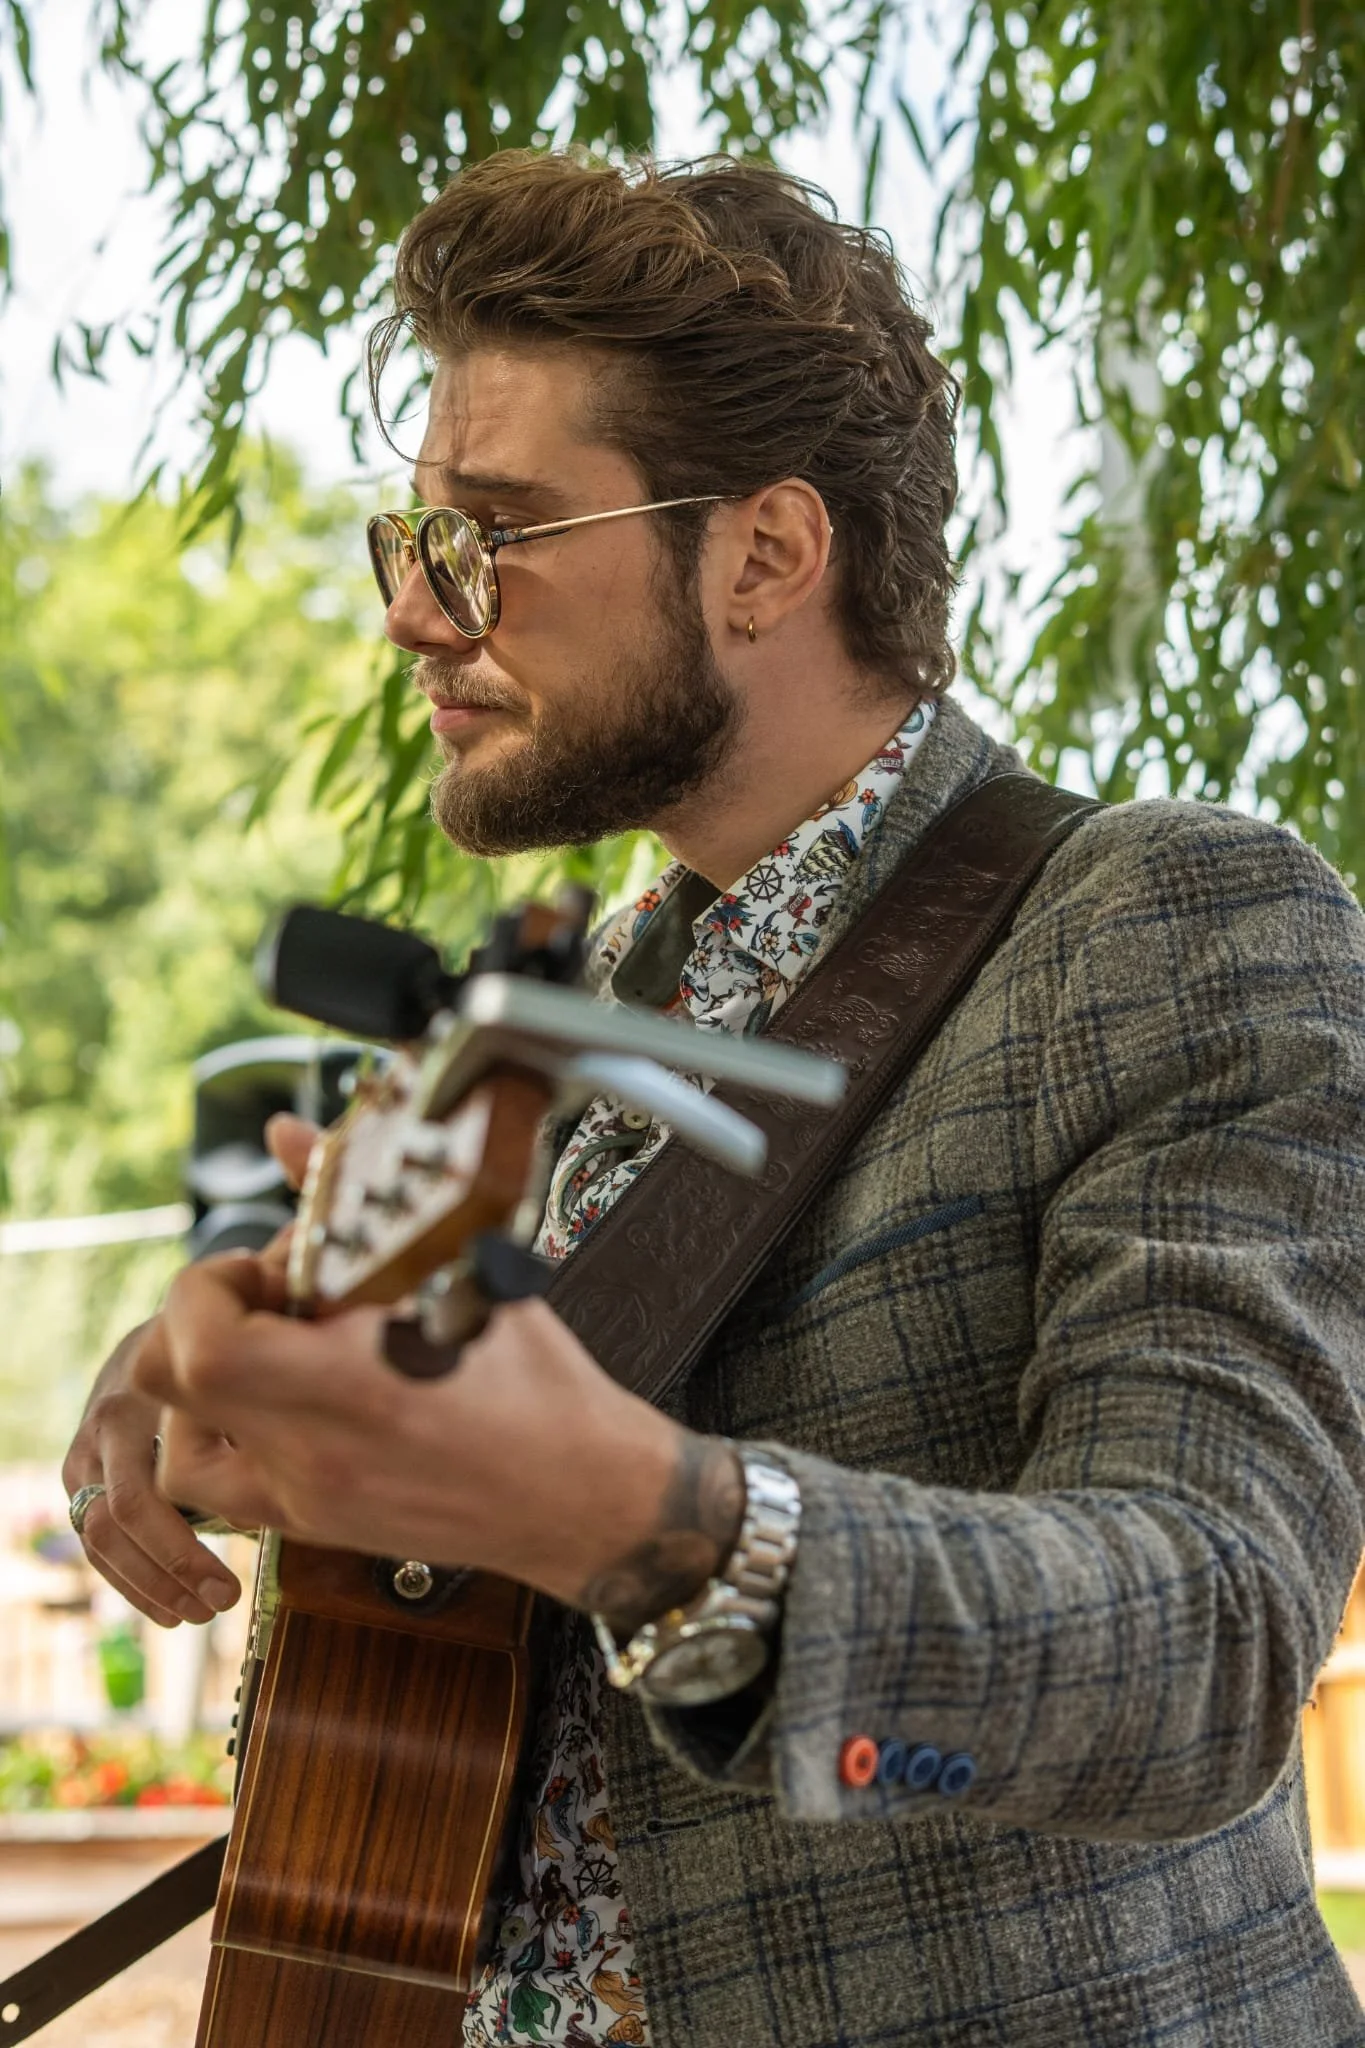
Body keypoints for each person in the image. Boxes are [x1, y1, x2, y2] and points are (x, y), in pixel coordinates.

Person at [62, 152, 1365, 2047]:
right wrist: (229, 1371)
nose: (423, 619)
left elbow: (1202, 1654)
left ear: (763, 556)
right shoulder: (564, 1022)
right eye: (413, 542)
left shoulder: (1163, 920)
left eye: (492, 535)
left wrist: (626, 1512)